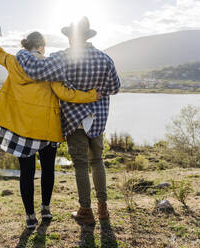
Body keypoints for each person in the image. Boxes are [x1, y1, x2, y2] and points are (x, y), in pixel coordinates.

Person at [0, 27, 102, 229]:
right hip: (47, 130)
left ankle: (30, 217)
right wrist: (91, 96)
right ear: (41, 46)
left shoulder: (14, 62)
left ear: (26, 45)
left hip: (21, 130)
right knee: (48, 170)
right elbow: (65, 93)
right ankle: (46, 209)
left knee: (26, 172)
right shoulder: (51, 67)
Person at [16, 17, 121, 226]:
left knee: (81, 165)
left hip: (74, 120)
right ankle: (103, 209)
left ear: (70, 38)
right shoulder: (105, 59)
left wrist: (22, 53)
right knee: (97, 161)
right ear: (88, 36)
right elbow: (115, 87)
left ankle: (85, 211)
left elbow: (36, 71)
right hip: (98, 120)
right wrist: (96, 92)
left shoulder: (61, 58)